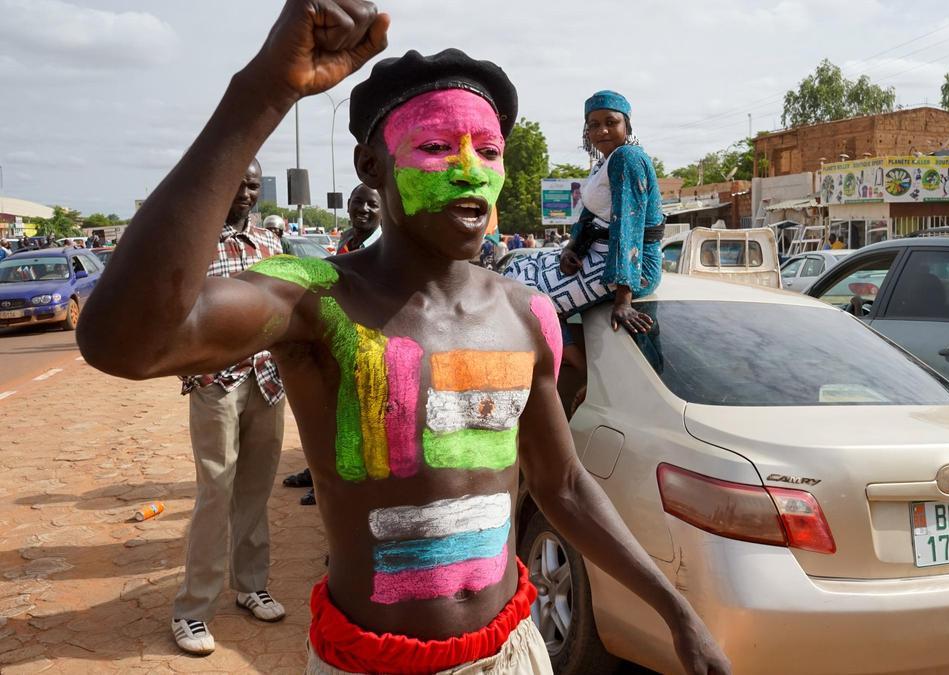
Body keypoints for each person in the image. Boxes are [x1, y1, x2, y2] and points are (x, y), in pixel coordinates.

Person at [76, 3, 730, 674]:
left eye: (490, 151)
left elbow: (562, 484)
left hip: (510, 652)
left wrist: (674, 609)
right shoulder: (316, 296)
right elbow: (125, 341)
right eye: (438, 147)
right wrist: (266, 89)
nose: (471, 170)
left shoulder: (525, 314)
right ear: (371, 165)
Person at [124, 157, 288, 655]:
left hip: (267, 381)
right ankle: (192, 610)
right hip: (217, 383)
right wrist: (193, 368)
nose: (245, 193)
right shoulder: (195, 242)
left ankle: (251, 585)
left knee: (256, 492)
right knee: (216, 493)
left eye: (253, 186)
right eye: (237, 184)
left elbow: (285, 307)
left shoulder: (269, 243)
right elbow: (170, 312)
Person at [504, 90, 663, 372]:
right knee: (515, 270)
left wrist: (623, 298)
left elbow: (629, 224)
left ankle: (583, 374)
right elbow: (588, 213)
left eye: (610, 122)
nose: (601, 130)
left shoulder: (628, 158)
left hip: (633, 266)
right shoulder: (604, 162)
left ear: (626, 124)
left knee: (529, 300)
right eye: (593, 124)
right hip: (599, 254)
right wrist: (571, 248)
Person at [336, 184, 382, 253]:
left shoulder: (388, 250)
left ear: (384, 211)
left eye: (372, 205)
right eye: (358, 202)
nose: (363, 209)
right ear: (348, 205)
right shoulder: (344, 241)